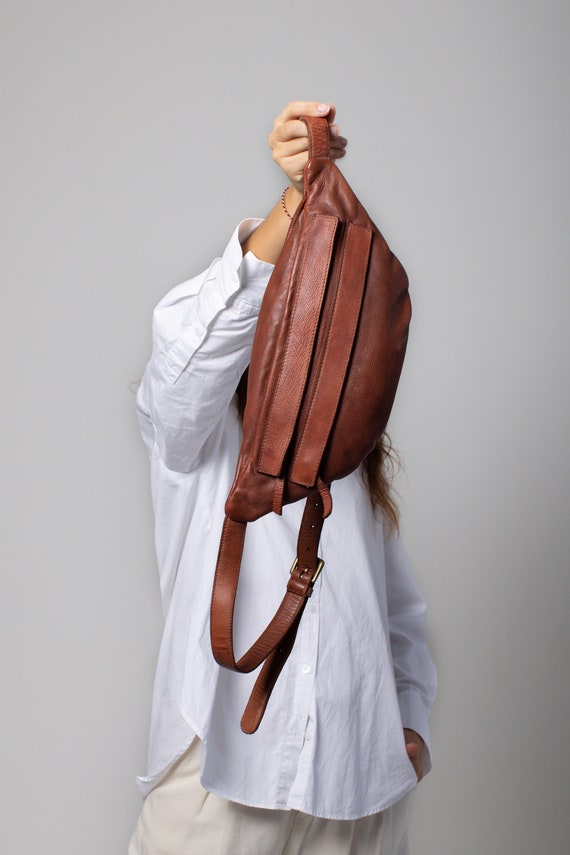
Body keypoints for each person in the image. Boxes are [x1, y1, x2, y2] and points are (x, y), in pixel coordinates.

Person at [129, 101, 437, 855]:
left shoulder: (348, 460)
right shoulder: (195, 438)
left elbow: (397, 611)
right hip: (224, 774)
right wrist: (298, 201)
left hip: (357, 789)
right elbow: (191, 357)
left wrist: (409, 725)